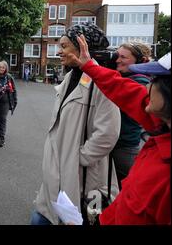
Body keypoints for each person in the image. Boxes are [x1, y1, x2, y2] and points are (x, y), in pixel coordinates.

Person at [69, 36, 170, 225]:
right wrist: (89, 66)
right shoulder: (160, 121)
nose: (149, 85)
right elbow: (122, 88)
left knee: (104, 187)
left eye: (155, 80)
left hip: (123, 147)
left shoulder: (163, 171)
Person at [31, 23, 121, 225]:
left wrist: (78, 158)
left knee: (57, 218)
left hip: (82, 174)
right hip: (59, 170)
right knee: (43, 215)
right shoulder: (71, 76)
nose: (59, 51)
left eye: (64, 46)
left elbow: (108, 133)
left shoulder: (102, 80)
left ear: (82, 47)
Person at [111, 42, 151, 188]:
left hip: (124, 147)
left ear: (139, 61)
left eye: (123, 57)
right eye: (117, 56)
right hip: (116, 144)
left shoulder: (141, 82)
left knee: (130, 188)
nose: (117, 60)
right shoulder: (127, 77)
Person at [0, 61, 18, 147]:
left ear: (6, 69)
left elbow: (14, 90)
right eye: (0, 67)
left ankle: (2, 138)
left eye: (3, 67)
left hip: (6, 101)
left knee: (2, 118)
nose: (1, 69)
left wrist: (15, 101)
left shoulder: (9, 77)